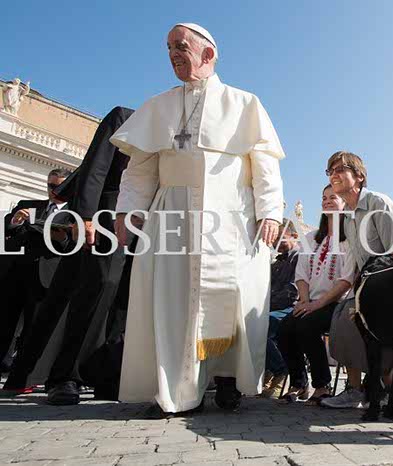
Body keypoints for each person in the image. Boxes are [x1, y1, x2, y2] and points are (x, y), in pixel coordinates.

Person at [111, 23, 285, 416]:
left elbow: (265, 167)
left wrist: (270, 212)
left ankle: (227, 378)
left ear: (208, 54)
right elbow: (141, 169)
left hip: (232, 215)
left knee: (233, 297)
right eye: (168, 47)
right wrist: (128, 210)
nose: (173, 53)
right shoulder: (157, 106)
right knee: (171, 301)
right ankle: (176, 391)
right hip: (172, 215)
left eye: (180, 46)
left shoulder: (245, 103)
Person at [3, 107, 136, 404]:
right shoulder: (124, 117)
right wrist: (85, 216)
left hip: (148, 224)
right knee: (92, 289)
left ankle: (107, 376)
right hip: (102, 217)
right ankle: (65, 376)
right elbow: (94, 168)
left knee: (122, 299)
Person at [320, 151, 393, 410]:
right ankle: (356, 389)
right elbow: (358, 265)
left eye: (340, 169)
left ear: (359, 176)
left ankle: (391, 386)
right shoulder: (348, 218)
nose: (334, 175)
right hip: (369, 288)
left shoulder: (378, 203)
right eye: (330, 171)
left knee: (355, 319)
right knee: (342, 315)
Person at [277, 185, 356, 403]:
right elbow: (301, 273)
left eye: (333, 197)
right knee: (284, 330)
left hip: (338, 303)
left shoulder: (350, 238)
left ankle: (322, 385)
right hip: (310, 301)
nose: (327, 201)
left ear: (345, 203)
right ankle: (299, 383)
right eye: (324, 198)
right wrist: (304, 300)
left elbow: (347, 279)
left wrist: (318, 304)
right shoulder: (311, 238)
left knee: (307, 326)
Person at [0, 168, 71, 390]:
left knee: (34, 328)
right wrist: (15, 222)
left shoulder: (76, 214)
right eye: (51, 185)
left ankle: (27, 374)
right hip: (16, 273)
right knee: (5, 323)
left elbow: (69, 245)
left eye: (59, 187)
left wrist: (55, 234)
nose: (54, 191)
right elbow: (7, 229)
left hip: (48, 278)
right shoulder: (27, 205)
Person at [261, 219, 300, 398]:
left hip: (292, 307)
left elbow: (292, 291)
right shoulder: (276, 263)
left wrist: (266, 307)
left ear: (295, 236)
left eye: (281, 238)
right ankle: (270, 370)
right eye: (274, 239)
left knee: (264, 323)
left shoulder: (299, 257)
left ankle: (281, 370)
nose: (276, 243)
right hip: (276, 307)